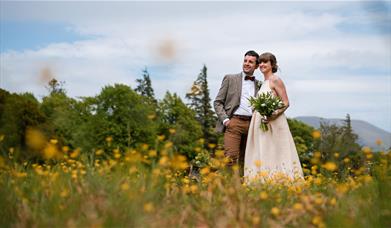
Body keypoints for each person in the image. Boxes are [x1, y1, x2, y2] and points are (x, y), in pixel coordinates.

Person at [244, 52, 303, 182]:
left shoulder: (275, 80)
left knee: (275, 151)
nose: (262, 65)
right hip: (261, 122)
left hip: (273, 122)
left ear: (272, 64)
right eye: (261, 62)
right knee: (264, 151)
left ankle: (280, 180)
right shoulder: (263, 83)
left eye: (266, 62)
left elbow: (286, 103)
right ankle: (264, 180)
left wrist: (272, 115)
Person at [214, 50, 260, 175]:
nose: (247, 63)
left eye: (251, 62)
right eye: (245, 61)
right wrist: (226, 120)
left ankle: (242, 190)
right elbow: (217, 102)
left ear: (256, 66)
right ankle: (229, 189)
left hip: (252, 126)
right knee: (230, 158)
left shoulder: (259, 85)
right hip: (234, 123)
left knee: (246, 160)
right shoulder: (230, 78)